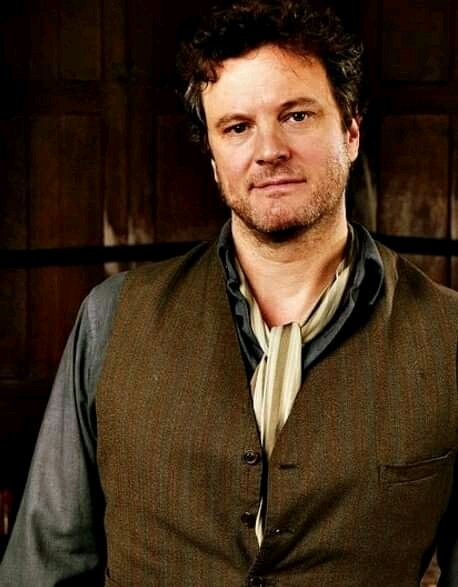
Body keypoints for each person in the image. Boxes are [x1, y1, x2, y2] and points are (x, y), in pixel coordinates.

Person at [1, 1, 457, 585]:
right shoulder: (111, 317)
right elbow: (44, 566)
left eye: (296, 116)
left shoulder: (448, 337)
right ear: (215, 160)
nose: (269, 150)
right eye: (238, 127)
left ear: (350, 132)